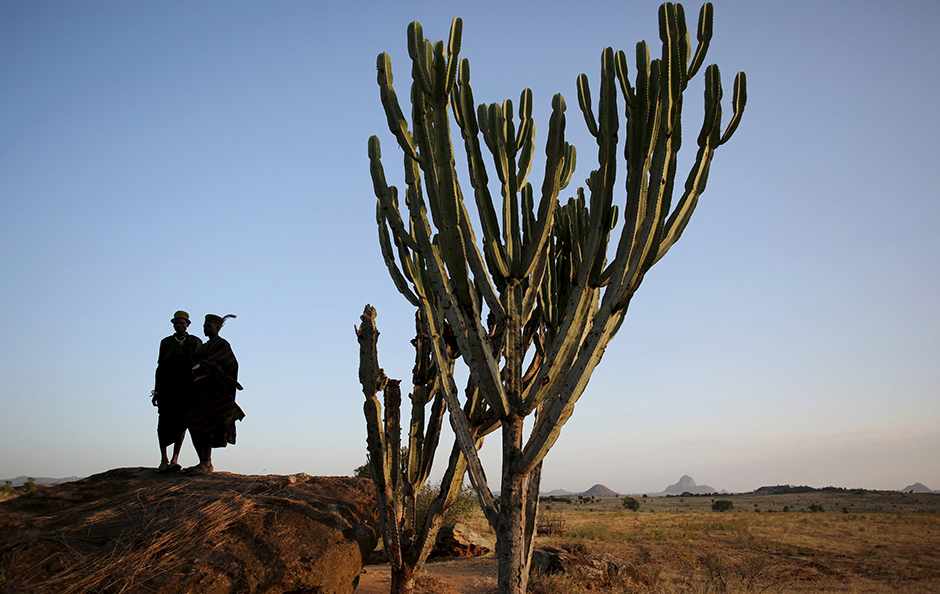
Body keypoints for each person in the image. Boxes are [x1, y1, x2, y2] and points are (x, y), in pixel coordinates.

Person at [186, 313, 245, 474]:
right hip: (199, 389)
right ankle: (203, 462)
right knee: (194, 423)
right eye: (204, 326)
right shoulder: (203, 346)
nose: (205, 329)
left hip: (213, 389)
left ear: (218, 328)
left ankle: (206, 463)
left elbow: (230, 363)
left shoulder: (222, 344)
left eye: (209, 326)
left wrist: (204, 364)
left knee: (207, 426)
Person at [152, 310, 202, 473]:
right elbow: (160, 366)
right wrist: (157, 390)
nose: (179, 326)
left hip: (186, 387)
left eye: (182, 323)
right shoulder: (166, 342)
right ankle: (163, 459)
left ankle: (175, 458)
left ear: (187, 325)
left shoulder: (195, 342)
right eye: (176, 323)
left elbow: (201, 363)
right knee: (163, 422)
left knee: (183, 422)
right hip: (167, 387)